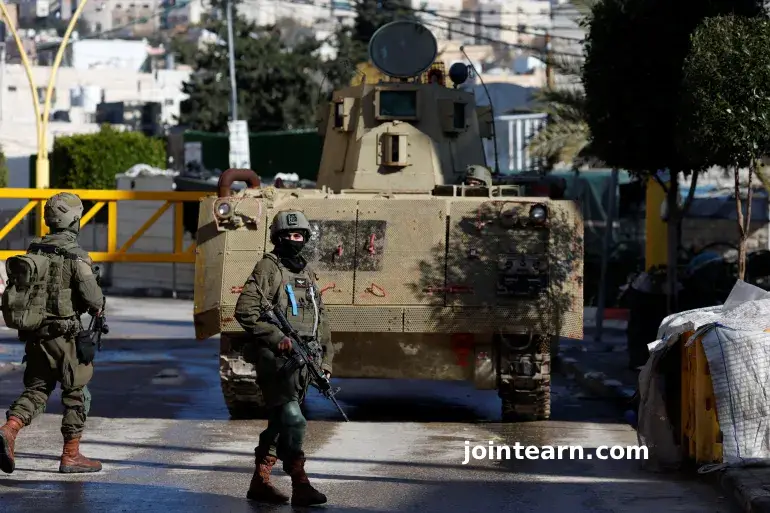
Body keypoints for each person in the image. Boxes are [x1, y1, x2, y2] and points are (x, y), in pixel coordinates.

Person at [234, 209, 334, 507]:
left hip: (304, 363)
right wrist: (280, 339)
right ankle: (300, 482)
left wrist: (326, 362)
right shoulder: (269, 268)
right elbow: (245, 311)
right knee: (294, 419)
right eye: (290, 235)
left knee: (279, 422)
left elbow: (321, 320)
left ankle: (260, 481)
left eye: (300, 235)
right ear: (278, 238)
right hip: (276, 362)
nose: (296, 239)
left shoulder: (305, 271)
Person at [0, 192, 104, 475]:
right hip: (64, 337)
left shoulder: (35, 251)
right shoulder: (76, 256)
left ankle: (9, 431)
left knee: (37, 390)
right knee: (77, 392)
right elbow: (94, 300)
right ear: (74, 219)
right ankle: (71, 455)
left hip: (36, 336)